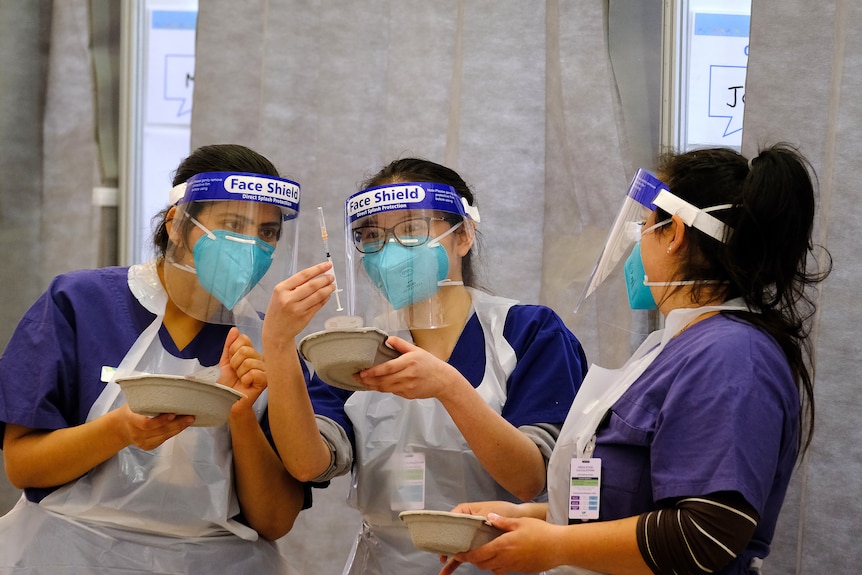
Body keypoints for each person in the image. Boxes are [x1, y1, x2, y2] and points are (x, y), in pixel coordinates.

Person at [440, 144, 832, 575]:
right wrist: (523, 521)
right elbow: (629, 503)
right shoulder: (681, 344)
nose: (637, 242)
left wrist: (557, 545)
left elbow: (708, 532)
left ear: (676, 232)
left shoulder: (731, 356)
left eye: (644, 225)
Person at [259, 158, 588, 574]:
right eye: (373, 235)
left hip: (500, 562)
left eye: (412, 229)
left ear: (463, 235)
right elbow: (309, 463)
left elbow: (529, 480)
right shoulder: (356, 348)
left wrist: (449, 387)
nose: (390, 250)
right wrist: (279, 342)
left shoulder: (528, 331)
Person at [0, 144, 315, 573]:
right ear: (178, 225)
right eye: (232, 225)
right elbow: (23, 464)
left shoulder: (272, 344)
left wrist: (239, 413)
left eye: (267, 233)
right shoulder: (79, 304)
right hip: (69, 554)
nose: (250, 245)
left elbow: (276, 520)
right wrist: (121, 429)